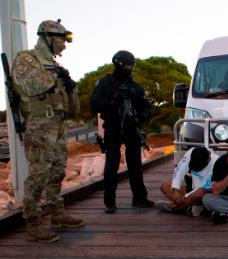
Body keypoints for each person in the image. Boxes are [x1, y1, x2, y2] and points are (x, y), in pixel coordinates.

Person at [11, 19, 83, 242]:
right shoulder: (27, 59)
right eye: (62, 39)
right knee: (39, 173)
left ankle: (56, 213)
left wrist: (71, 87)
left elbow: (73, 108)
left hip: (58, 125)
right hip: (39, 124)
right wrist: (57, 75)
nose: (64, 44)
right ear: (47, 37)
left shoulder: (55, 65)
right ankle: (33, 222)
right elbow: (34, 85)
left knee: (58, 170)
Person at [90, 50, 155, 214]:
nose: (129, 68)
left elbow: (148, 108)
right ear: (118, 64)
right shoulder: (105, 83)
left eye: (131, 65)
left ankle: (139, 198)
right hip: (112, 128)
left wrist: (141, 117)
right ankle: (110, 202)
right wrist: (112, 101)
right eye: (126, 65)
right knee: (111, 165)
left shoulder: (135, 86)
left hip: (132, 129)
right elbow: (95, 105)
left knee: (135, 165)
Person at [157, 147, 219, 215]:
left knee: (197, 194)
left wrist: (186, 197)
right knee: (165, 185)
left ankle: (173, 208)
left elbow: (203, 188)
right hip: (193, 189)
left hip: (206, 193)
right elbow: (179, 170)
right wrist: (175, 190)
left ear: (208, 159)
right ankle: (190, 206)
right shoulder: (192, 151)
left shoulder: (217, 163)